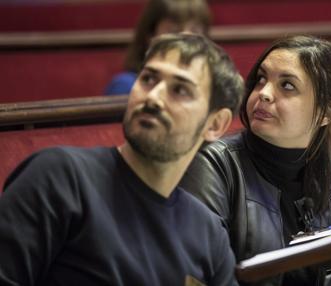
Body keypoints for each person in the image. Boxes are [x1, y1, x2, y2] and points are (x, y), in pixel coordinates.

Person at [0, 33, 244, 286]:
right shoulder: (59, 177)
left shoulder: (207, 232)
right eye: (148, 79)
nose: (153, 96)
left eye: (180, 90)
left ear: (215, 124)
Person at [179, 35, 331, 286]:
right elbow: (199, 275)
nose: (264, 93)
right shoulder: (213, 164)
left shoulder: (317, 178)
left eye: (287, 85)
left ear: (326, 113)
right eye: (261, 79)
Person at [105, 0, 211, 95]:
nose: (186, 38)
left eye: (195, 31)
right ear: (150, 35)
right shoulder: (127, 86)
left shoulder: (211, 84)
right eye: (174, 30)